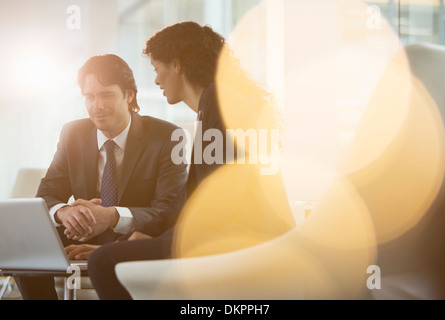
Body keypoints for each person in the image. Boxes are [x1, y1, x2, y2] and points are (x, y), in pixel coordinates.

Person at [88, 21, 296, 300]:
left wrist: (157, 242)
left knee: (103, 263)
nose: (156, 80)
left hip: (244, 239)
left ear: (176, 64)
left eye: (157, 68)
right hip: (242, 236)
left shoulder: (219, 102)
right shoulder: (216, 102)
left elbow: (219, 201)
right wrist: (142, 236)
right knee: (109, 256)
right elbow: (189, 198)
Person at [14, 54, 188, 300]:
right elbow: (47, 195)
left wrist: (112, 216)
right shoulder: (72, 133)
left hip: (133, 243)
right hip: (79, 239)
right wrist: (65, 212)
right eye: (89, 96)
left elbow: (169, 211)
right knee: (25, 244)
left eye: (106, 95)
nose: (97, 105)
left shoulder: (169, 137)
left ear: (129, 95)